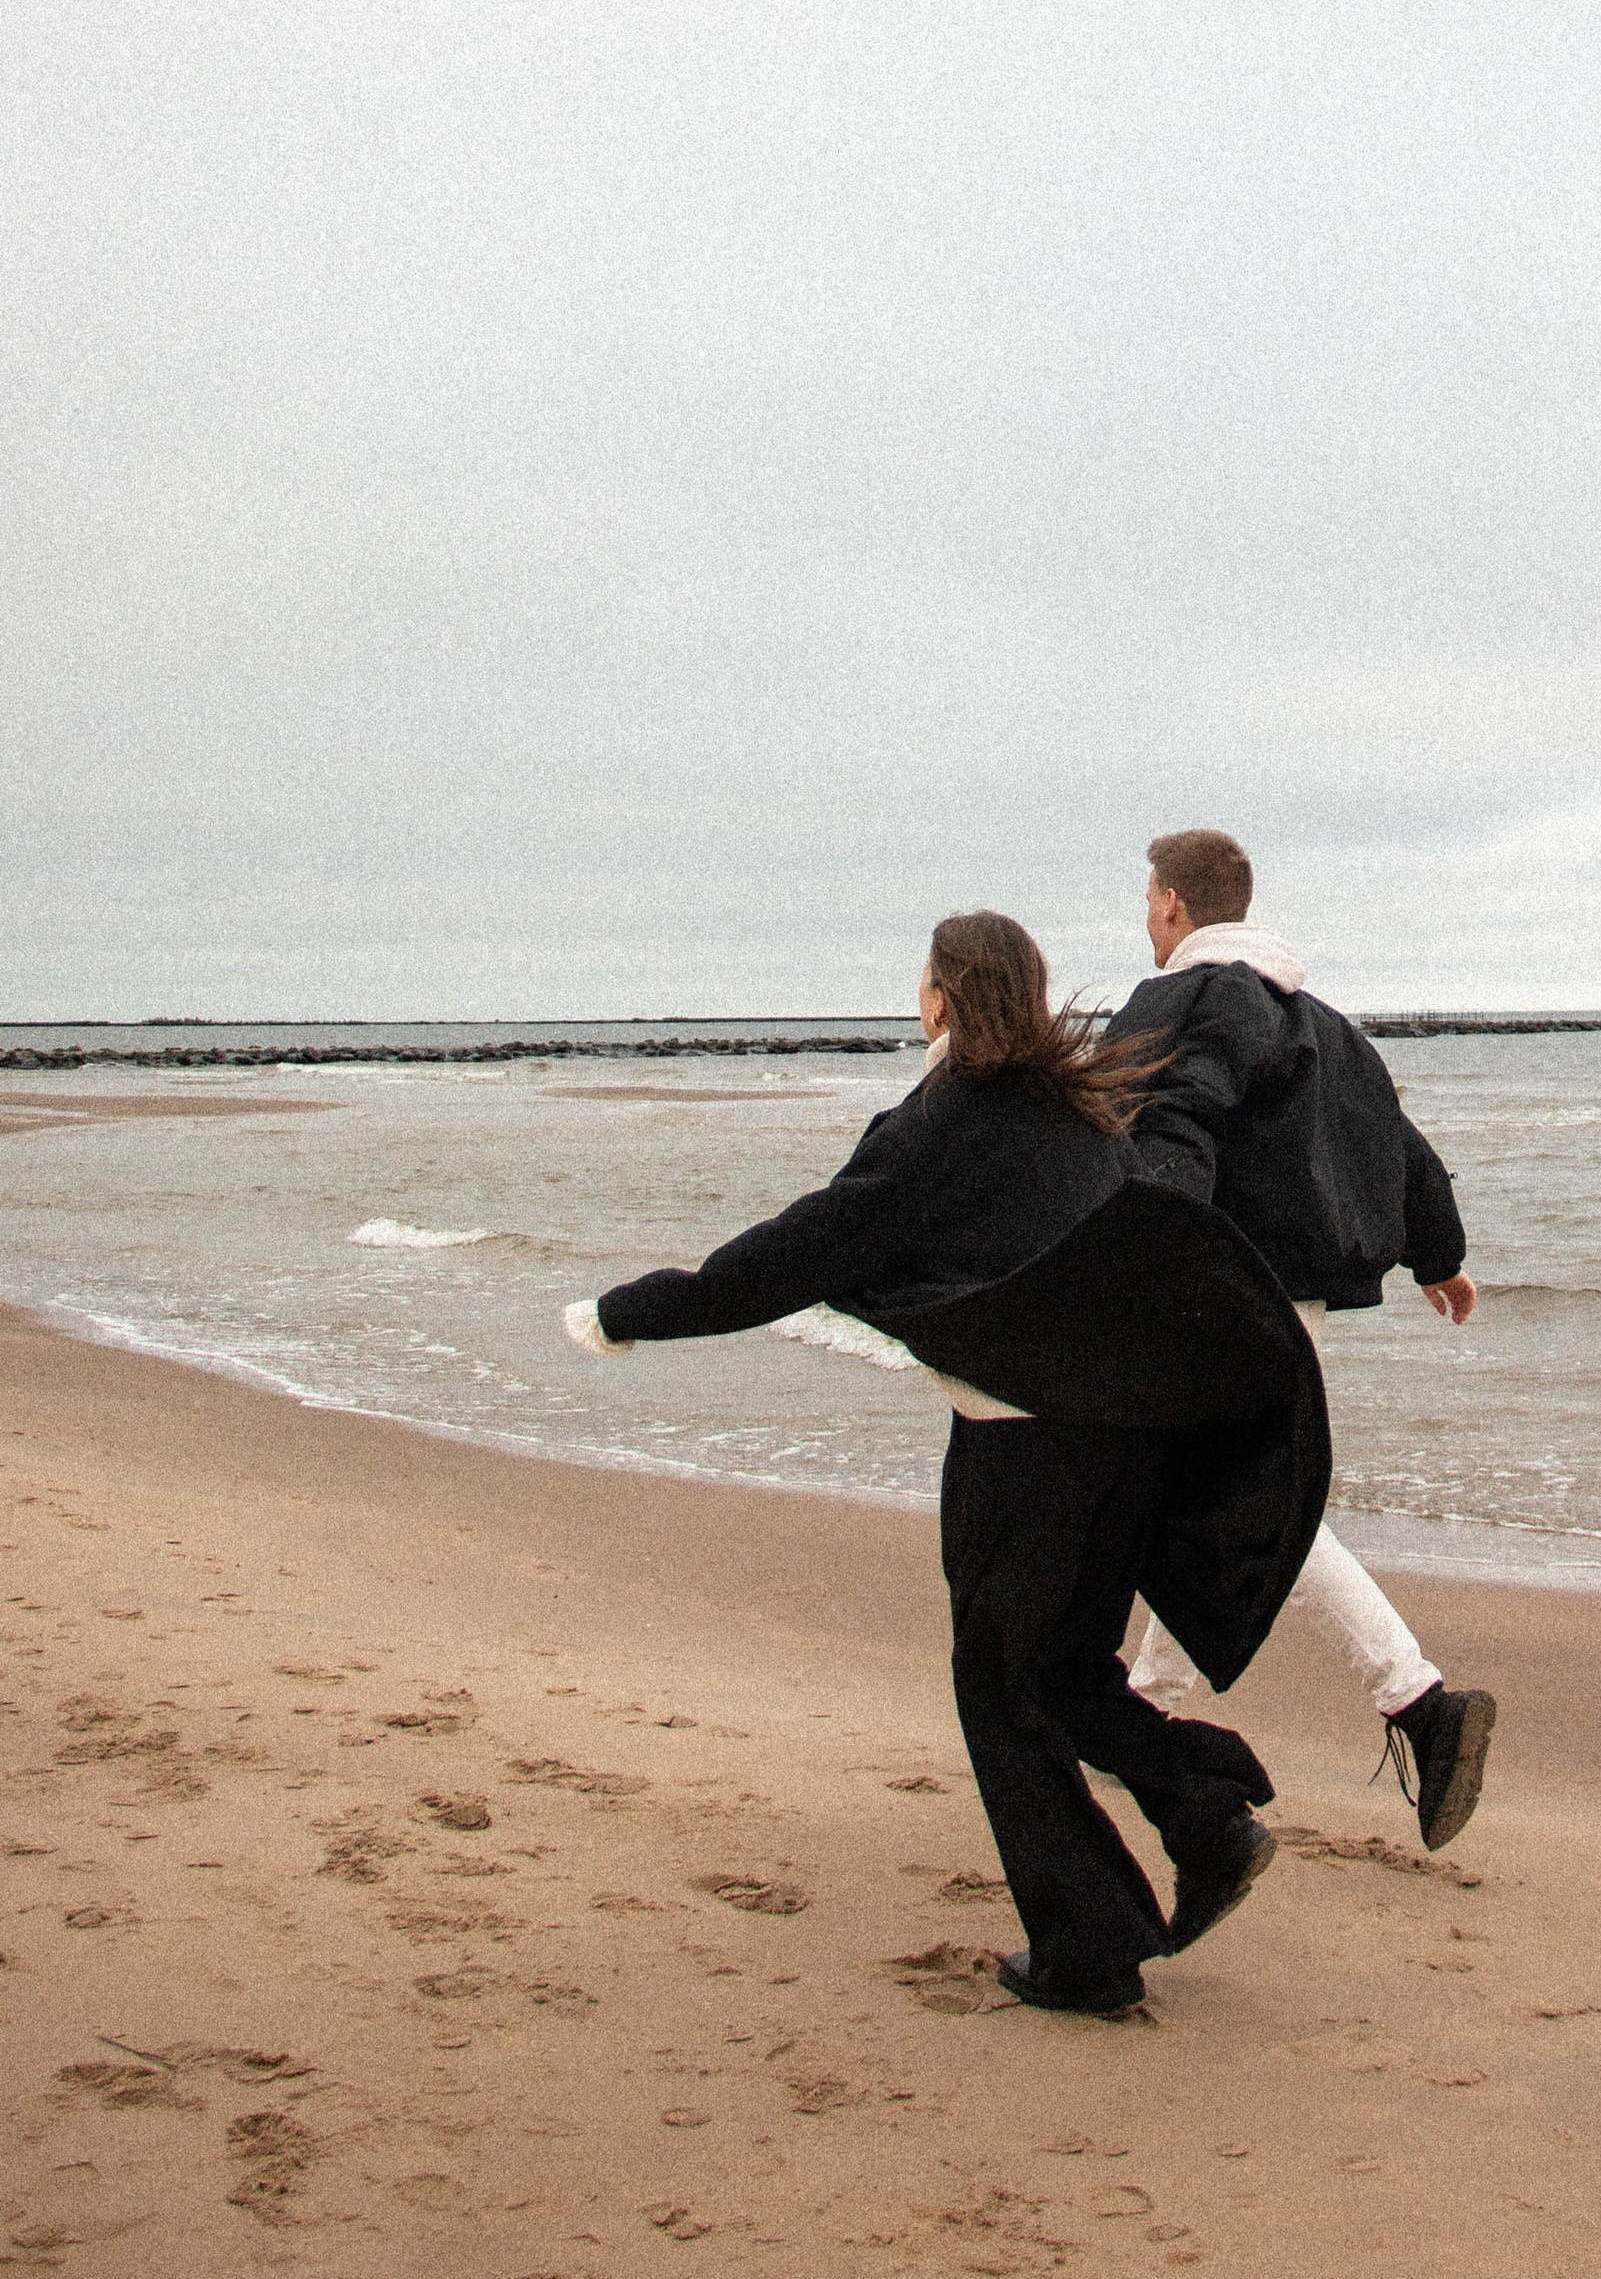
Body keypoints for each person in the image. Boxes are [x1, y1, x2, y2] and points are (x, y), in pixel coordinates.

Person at [561, 912, 1328, 2020]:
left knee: (999, 1686)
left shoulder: (941, 1124)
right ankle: (1203, 1817)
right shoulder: (1084, 1115)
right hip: (1122, 1441)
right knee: (1063, 1673)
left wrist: (629, 1312)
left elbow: (798, 1250)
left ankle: (1088, 1946)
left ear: (941, 998)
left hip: (1024, 1452)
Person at [1105, 828, 1498, 1853]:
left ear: (1178, 907)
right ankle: (1150, 1702)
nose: (1146, 917)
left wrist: (1159, 1261)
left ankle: (1418, 1700)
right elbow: (1396, 1142)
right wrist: (1438, 1255)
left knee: (1240, 1506)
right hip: (1288, 1303)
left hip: (1218, 1294)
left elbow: (1170, 1123)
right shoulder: (1320, 1022)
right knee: (1202, 1496)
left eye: (1150, 900)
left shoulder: (1184, 1001)